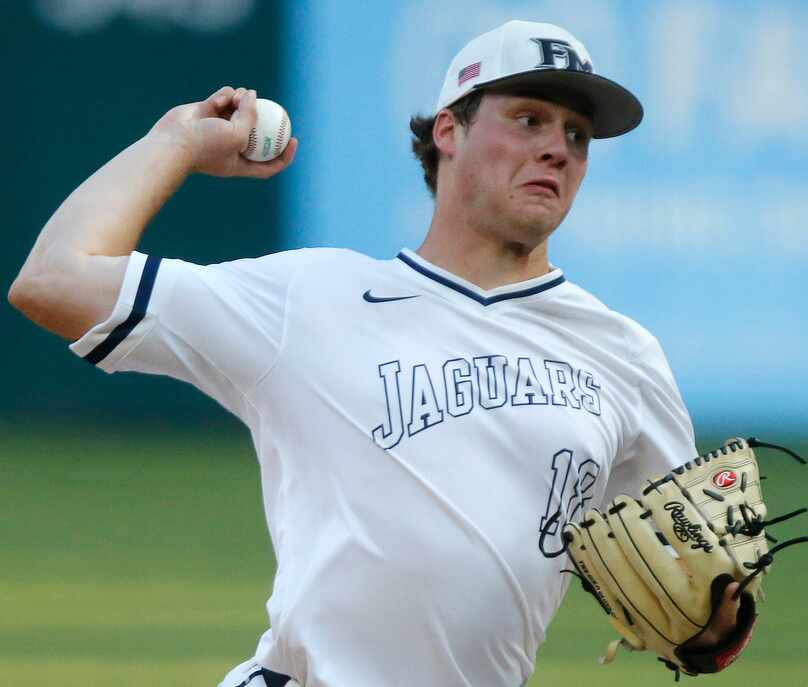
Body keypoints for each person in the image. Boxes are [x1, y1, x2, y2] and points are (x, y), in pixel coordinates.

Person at [9, 19, 745, 687]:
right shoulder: (310, 298)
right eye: (528, 119)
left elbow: (704, 610)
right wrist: (174, 144)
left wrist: (719, 622)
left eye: (577, 134)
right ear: (449, 131)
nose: (558, 146)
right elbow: (53, 279)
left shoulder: (622, 354)